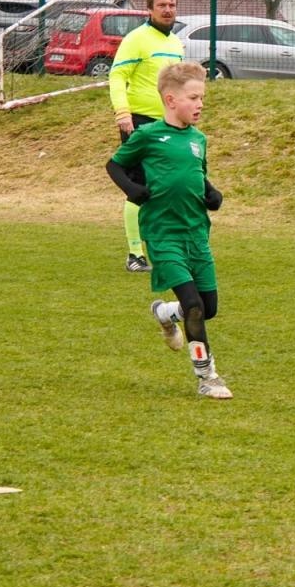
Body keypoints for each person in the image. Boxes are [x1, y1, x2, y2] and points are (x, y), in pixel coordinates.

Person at [106, 61, 232, 400]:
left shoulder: (199, 140)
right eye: (193, 97)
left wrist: (212, 193)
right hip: (163, 234)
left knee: (209, 307)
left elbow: (194, 173)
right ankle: (207, 377)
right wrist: (133, 191)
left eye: (202, 97)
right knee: (192, 304)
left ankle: (164, 313)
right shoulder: (148, 136)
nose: (200, 104)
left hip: (196, 233)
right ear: (170, 99)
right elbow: (115, 165)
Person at [108, 0, 185, 273]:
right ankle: (135, 254)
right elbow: (117, 76)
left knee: (169, 186)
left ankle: (166, 247)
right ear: (150, 10)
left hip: (169, 123)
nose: (168, 10)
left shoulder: (176, 43)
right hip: (139, 121)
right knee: (138, 186)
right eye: (162, 6)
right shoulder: (136, 39)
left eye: (172, 5)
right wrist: (123, 113)